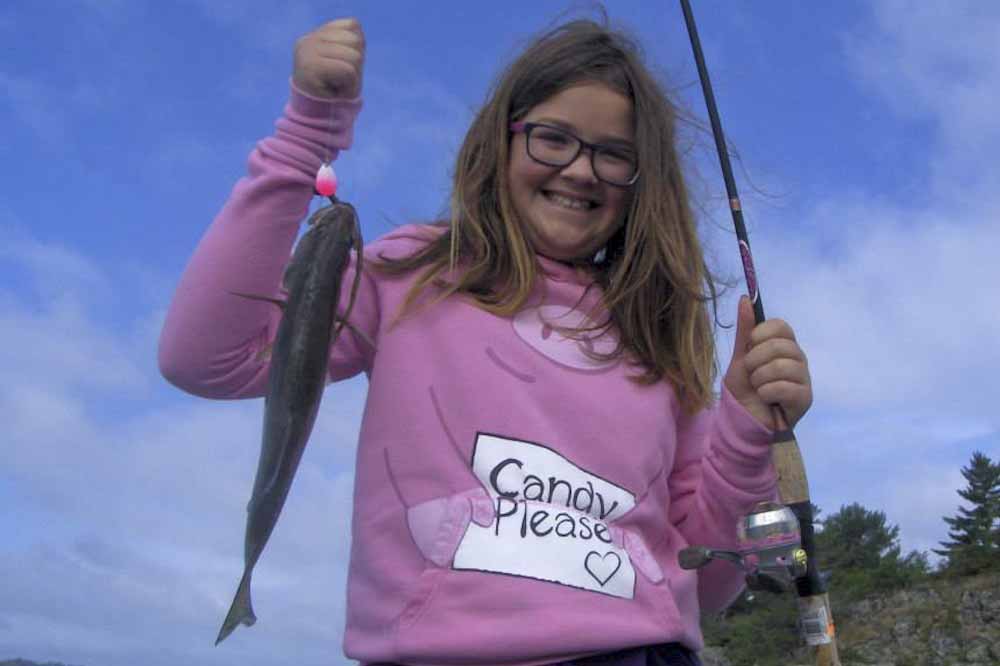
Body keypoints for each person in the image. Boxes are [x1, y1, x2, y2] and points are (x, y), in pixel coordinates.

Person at [158, 14, 812, 666]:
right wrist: (306, 133)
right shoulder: (412, 273)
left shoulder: (657, 342)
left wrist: (746, 434)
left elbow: (709, 585)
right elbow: (207, 360)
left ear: (644, 181)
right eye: (552, 139)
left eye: (614, 155)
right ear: (500, 143)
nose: (581, 170)